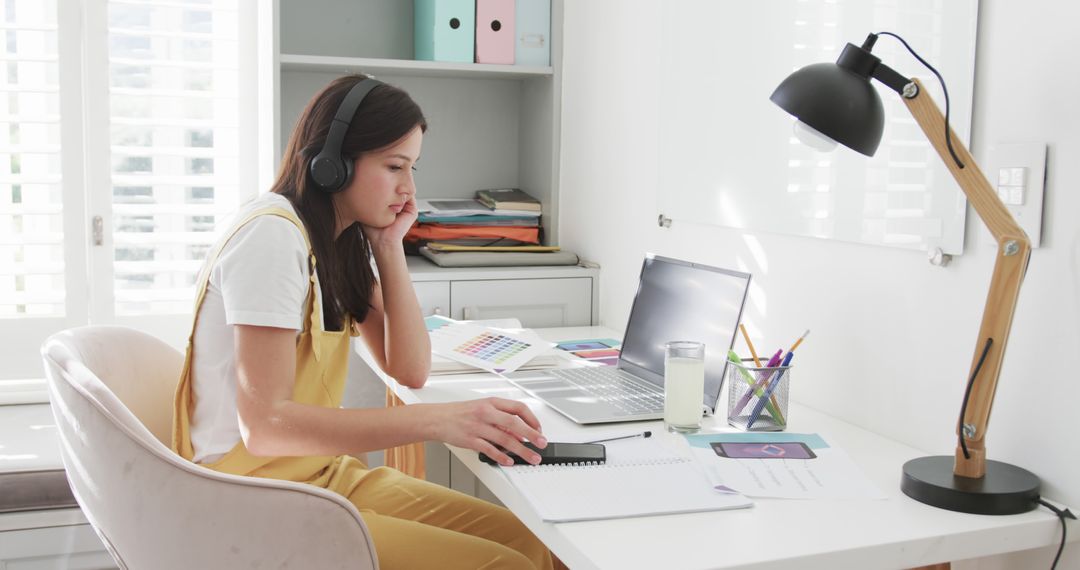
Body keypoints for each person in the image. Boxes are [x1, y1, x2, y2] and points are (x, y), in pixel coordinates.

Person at [171, 74, 555, 569]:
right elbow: (265, 427)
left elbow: (409, 369)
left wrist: (389, 246)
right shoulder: (271, 238)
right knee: (508, 566)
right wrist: (441, 421)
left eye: (412, 168)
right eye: (395, 167)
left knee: (528, 542)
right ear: (331, 165)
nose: (409, 189)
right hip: (252, 495)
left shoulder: (339, 240)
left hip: (319, 476)